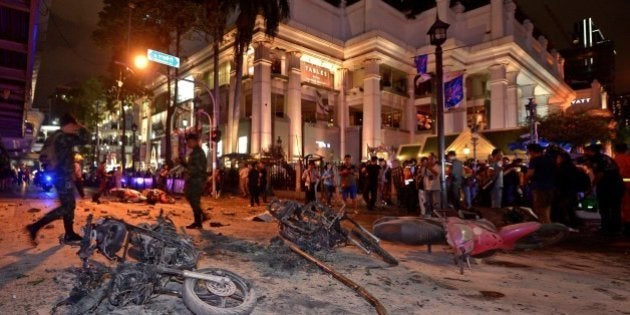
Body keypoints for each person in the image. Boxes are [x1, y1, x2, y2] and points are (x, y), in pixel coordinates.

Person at [26, 114, 90, 244]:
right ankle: (35, 226)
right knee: (68, 206)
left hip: (57, 174)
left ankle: (69, 233)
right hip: (62, 175)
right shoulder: (64, 137)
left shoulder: (54, 136)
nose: (74, 129)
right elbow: (85, 139)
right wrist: (81, 126)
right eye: (73, 126)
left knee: (69, 205)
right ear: (70, 125)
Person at [584, 144, 624, 235]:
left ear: (591, 151)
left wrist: (592, 186)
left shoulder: (597, 159)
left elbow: (600, 174)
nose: (585, 153)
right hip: (617, 186)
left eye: (587, 151)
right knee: (615, 208)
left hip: (608, 187)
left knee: (605, 207)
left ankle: (606, 228)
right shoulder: (606, 158)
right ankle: (615, 228)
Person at [182, 133, 208, 229]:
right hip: (194, 179)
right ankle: (199, 219)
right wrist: (183, 164)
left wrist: (186, 167)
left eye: (189, 142)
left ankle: (199, 220)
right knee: (192, 199)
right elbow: (192, 167)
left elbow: (197, 168)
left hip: (196, 180)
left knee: (194, 200)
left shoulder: (198, 153)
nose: (188, 144)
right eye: (187, 142)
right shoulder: (195, 152)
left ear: (195, 141)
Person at [526, 143, 555, 223]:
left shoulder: (534, 160)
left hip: (539, 187)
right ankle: (548, 224)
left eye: (529, 152)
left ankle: (546, 227)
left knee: (540, 209)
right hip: (550, 186)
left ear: (532, 151)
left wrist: (526, 179)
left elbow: (530, 173)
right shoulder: (550, 159)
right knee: (547, 207)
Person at [613, 142, 630, 235]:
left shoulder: (616, 160)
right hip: (626, 185)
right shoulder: (628, 158)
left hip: (620, 185)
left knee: (622, 206)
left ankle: (625, 226)